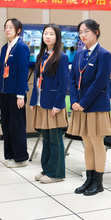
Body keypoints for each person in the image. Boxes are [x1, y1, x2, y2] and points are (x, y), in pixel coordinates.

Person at [69, 19, 111, 195]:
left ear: (96, 32)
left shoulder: (104, 54)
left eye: (86, 31)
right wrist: (74, 101)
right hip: (79, 106)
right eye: (80, 32)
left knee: (96, 142)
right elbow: (72, 79)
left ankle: (98, 182)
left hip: (95, 106)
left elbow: (100, 82)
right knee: (86, 143)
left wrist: (83, 103)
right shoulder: (79, 55)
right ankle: (89, 179)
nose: (83, 35)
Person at [30, 24, 69, 183]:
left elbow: (63, 82)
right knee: (45, 138)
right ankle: (46, 169)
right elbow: (36, 80)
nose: (47, 36)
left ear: (57, 37)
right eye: (45, 33)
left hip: (53, 104)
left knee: (55, 139)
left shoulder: (62, 57)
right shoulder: (41, 55)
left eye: (51, 34)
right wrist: (33, 100)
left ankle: (56, 173)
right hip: (41, 102)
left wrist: (58, 105)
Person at [0, 18, 30, 168]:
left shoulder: (21, 47)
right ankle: (10, 156)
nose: (7, 29)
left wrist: (21, 95)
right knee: (6, 126)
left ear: (18, 30)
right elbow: (1, 71)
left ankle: (21, 158)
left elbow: (23, 73)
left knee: (16, 126)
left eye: (10, 27)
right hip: (5, 92)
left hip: (17, 94)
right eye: (6, 27)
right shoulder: (5, 48)